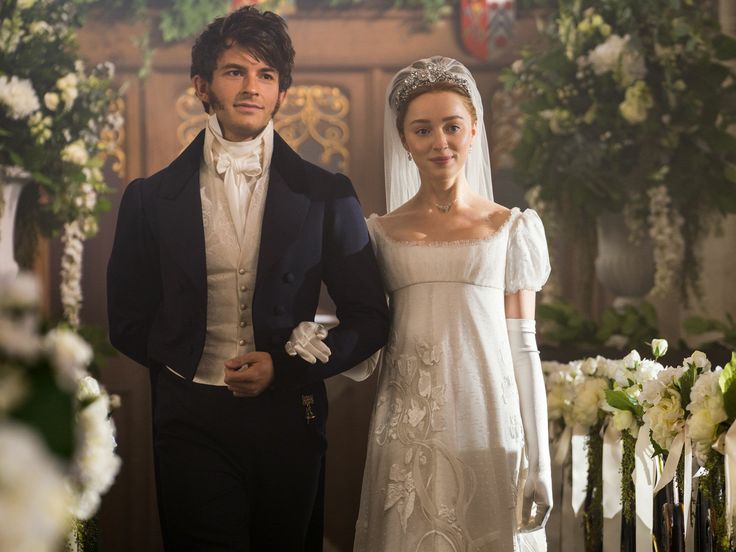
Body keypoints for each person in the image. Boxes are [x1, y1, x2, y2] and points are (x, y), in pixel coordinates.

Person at [106, 7, 389, 551]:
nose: (251, 87)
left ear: (282, 93)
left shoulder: (327, 194)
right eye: (235, 71)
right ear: (202, 86)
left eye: (266, 75)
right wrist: (186, 361)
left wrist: (286, 367)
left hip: (289, 418)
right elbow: (126, 319)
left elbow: (370, 318)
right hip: (190, 422)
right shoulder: (149, 198)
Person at [349, 56, 552, 551]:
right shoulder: (378, 235)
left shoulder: (511, 228)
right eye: (422, 130)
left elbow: (524, 349)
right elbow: (364, 341)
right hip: (408, 434)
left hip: (489, 425)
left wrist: (541, 461)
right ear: (405, 141)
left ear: (474, 130)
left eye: (451, 126)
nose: (439, 142)